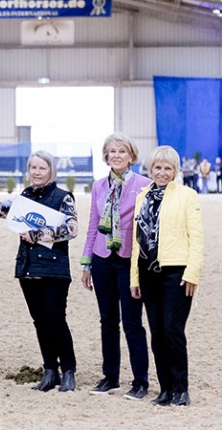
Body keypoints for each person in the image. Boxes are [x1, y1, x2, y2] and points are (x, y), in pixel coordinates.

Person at [0, 150, 78, 392]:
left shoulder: (64, 197)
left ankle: (69, 370)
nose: (37, 172)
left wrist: (38, 235)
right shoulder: (24, 198)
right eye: (34, 168)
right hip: (28, 269)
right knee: (40, 322)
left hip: (54, 270)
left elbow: (71, 229)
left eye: (42, 168)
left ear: (51, 171)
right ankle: (50, 370)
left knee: (56, 321)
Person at [130, 145, 204, 407]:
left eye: (167, 168)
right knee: (157, 333)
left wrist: (192, 272)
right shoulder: (142, 196)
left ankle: (181, 389)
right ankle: (165, 389)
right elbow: (136, 241)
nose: (162, 172)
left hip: (177, 273)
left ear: (175, 171)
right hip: (148, 273)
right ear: (150, 169)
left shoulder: (188, 195)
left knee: (172, 330)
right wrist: (135, 279)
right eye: (157, 167)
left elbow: (196, 237)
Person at [80, 133, 150, 400]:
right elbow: (91, 226)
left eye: (122, 151)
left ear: (131, 156)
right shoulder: (98, 186)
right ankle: (110, 377)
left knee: (132, 323)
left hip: (129, 262)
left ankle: (140, 381)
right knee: (107, 321)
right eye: (112, 151)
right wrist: (86, 263)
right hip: (101, 260)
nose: (117, 155)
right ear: (106, 156)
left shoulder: (144, 185)